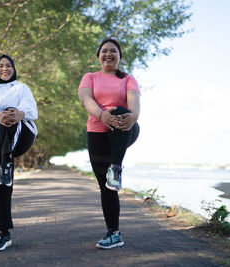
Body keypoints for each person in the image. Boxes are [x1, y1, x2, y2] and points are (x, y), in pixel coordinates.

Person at [78, 38, 140, 249]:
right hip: (97, 133)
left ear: (120, 56)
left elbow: (134, 103)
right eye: (104, 51)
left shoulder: (128, 79)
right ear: (98, 56)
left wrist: (133, 116)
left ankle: (116, 166)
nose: (108, 54)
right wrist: (102, 115)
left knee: (123, 112)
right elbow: (86, 99)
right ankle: (114, 233)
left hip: (123, 131)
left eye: (113, 51)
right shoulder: (90, 77)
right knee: (107, 188)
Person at [0, 54, 38, 252]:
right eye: (0, 66)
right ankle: (4, 232)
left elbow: (31, 108)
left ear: (13, 68)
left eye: (8, 65)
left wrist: (16, 114)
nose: (4, 69)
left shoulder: (20, 87)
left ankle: (7, 163)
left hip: (22, 134)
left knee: (11, 112)